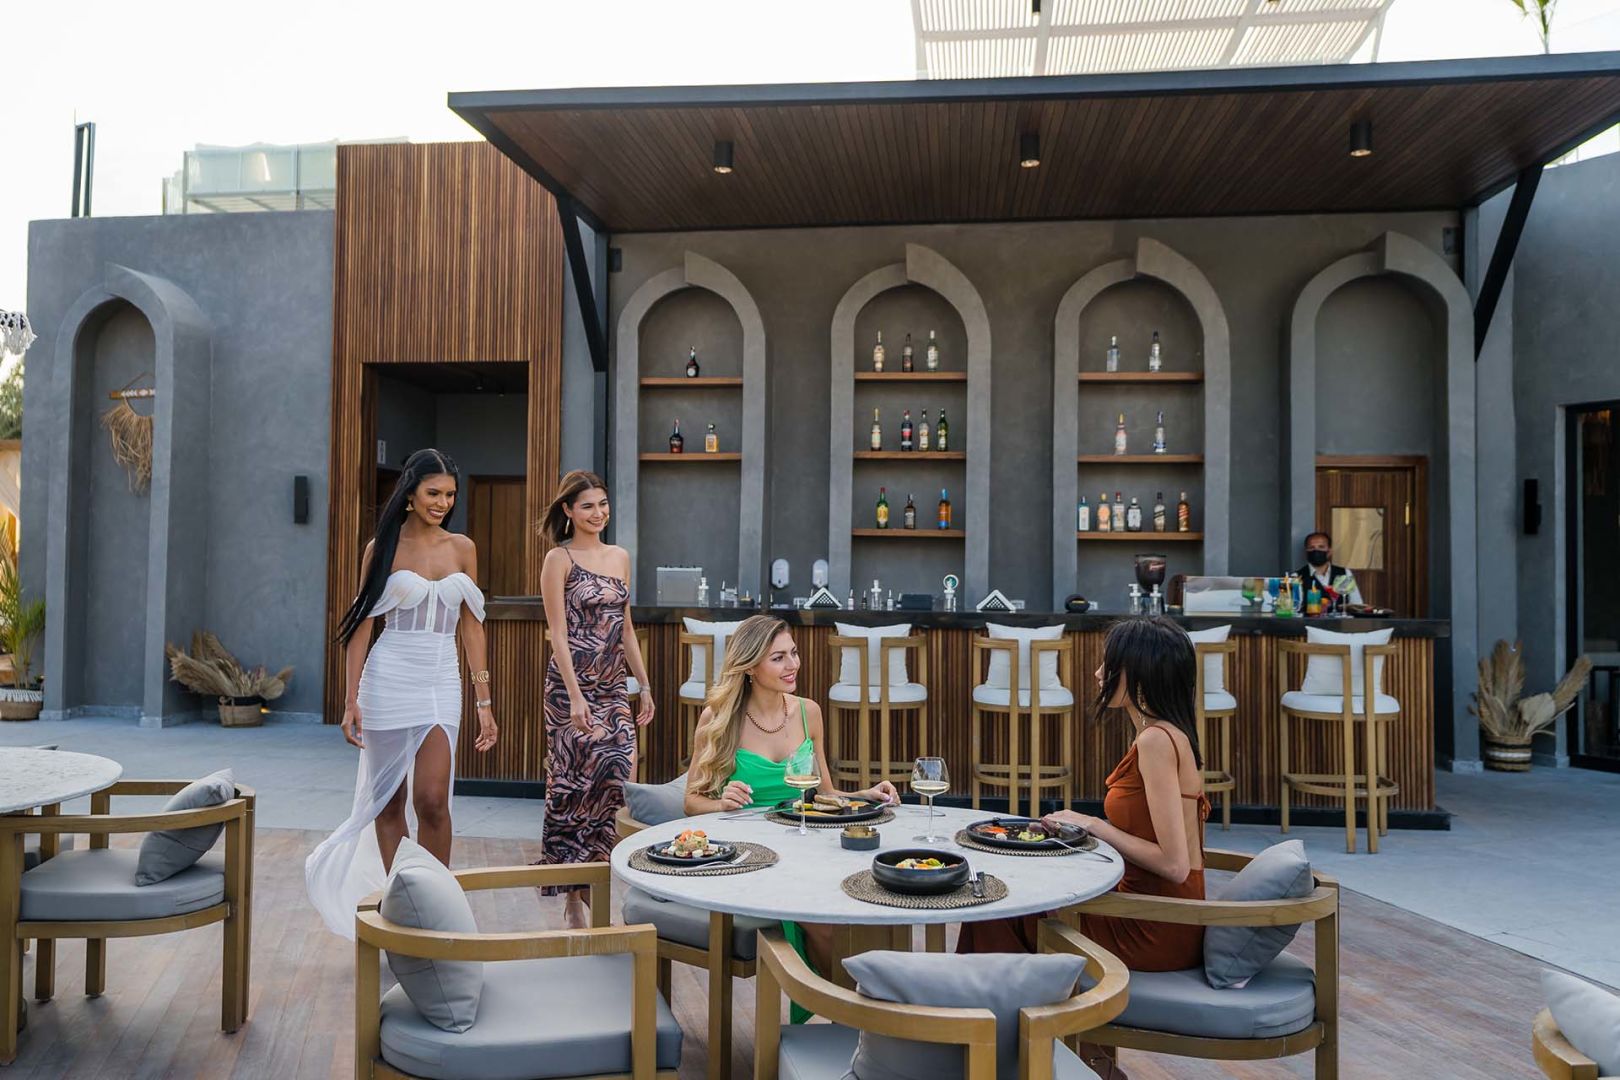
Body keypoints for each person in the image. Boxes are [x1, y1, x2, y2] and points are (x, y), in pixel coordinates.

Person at [958, 617, 1208, 1076]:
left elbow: (1174, 865)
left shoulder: (1156, 741)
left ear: (1140, 672)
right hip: (1155, 912)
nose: (1097, 674)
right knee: (1008, 904)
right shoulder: (1167, 734)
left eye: (1109, 665)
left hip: (1157, 924)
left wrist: (1093, 824)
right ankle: (1040, 1055)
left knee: (997, 909)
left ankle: (991, 1051)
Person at [306, 448, 497, 938]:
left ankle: (437, 911)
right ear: (410, 493)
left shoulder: (463, 548)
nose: (443, 503)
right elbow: (361, 627)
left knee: (432, 799)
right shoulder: (382, 549)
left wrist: (484, 702)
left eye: (450, 494)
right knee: (389, 803)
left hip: (441, 682)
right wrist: (350, 700)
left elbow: (472, 627)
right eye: (434, 493)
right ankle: (405, 910)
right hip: (388, 679)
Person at [684, 615, 898, 1019]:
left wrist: (865, 794)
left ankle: (865, 1014)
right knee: (824, 924)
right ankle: (853, 1017)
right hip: (752, 855)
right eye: (778, 657)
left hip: (808, 843)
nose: (793, 665)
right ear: (750, 666)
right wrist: (721, 802)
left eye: (794, 653)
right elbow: (692, 802)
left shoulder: (808, 712)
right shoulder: (718, 718)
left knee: (874, 903)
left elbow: (826, 793)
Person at [538, 470, 654, 929]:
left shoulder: (620, 557)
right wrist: (574, 696)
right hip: (570, 690)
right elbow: (557, 634)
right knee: (573, 787)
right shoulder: (559, 559)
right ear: (568, 510)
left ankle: (600, 881)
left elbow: (626, 629)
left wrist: (644, 684)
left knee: (619, 780)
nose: (598, 513)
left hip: (612, 687)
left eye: (603, 504)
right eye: (587, 505)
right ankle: (573, 893)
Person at [1298, 530, 1364, 608]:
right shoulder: (1297, 577)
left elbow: (1357, 604)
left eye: (1321, 547)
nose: (1316, 551)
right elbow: (1295, 609)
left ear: (1329, 551)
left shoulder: (1344, 573)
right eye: (1311, 547)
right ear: (1306, 551)